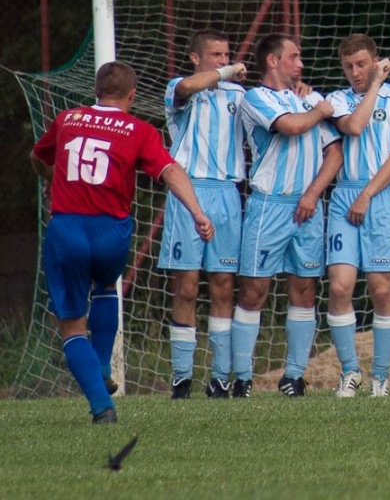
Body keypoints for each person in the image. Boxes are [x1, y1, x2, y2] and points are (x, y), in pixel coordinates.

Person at [30, 61, 213, 424]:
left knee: (70, 324)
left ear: (94, 92)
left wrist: (50, 177)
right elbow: (171, 171)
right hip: (112, 232)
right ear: (132, 95)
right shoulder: (140, 130)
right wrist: (197, 212)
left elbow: (37, 157)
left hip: (68, 229)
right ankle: (100, 365)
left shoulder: (67, 120)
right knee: (106, 285)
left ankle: (102, 407)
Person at [232, 33, 342, 398]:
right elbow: (292, 126)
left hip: (309, 206)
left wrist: (313, 194)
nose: (301, 63)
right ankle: (242, 377)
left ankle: (294, 376)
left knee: (305, 287)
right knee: (254, 290)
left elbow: (335, 154)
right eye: (294, 56)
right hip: (270, 205)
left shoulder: (310, 99)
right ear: (273, 61)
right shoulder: (256, 98)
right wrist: (319, 110)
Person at [157, 29, 247, 400]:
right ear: (196, 58)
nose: (223, 62)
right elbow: (188, 88)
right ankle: (181, 378)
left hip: (227, 193)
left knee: (224, 285)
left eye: (226, 55)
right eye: (215, 55)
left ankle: (220, 377)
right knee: (187, 286)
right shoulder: (180, 87)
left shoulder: (239, 95)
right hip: (187, 190)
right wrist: (224, 74)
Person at [324, 34, 390, 398]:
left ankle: (381, 377)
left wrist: (368, 194)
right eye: (348, 66)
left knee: (381, 288)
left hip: (383, 195)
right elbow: (355, 126)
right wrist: (375, 82)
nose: (355, 72)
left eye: (362, 64)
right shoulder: (337, 100)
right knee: (340, 286)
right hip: (345, 193)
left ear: (375, 60)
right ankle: (350, 373)